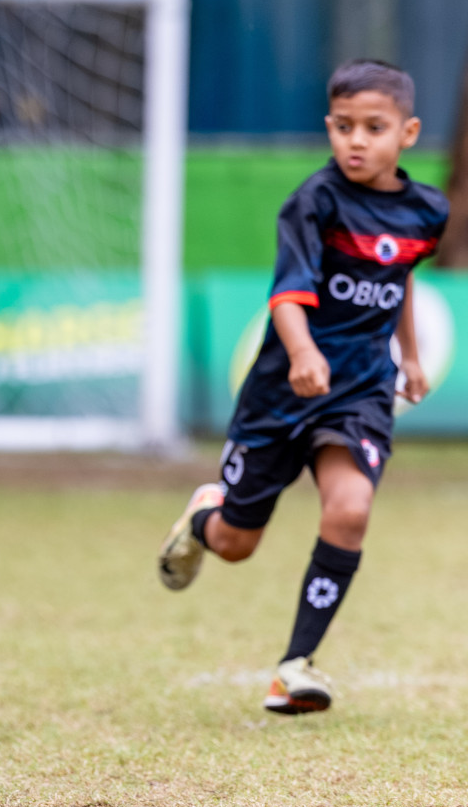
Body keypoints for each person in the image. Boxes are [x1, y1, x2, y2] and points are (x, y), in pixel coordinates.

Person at [157, 60, 446, 715]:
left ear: (408, 133)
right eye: (343, 126)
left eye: (373, 127)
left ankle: (295, 667)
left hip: (362, 390)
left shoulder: (427, 210)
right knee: (236, 544)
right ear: (329, 127)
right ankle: (204, 516)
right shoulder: (315, 201)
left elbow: (399, 277)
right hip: (282, 394)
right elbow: (287, 293)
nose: (356, 141)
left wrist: (410, 355)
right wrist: (303, 351)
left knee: (350, 509)